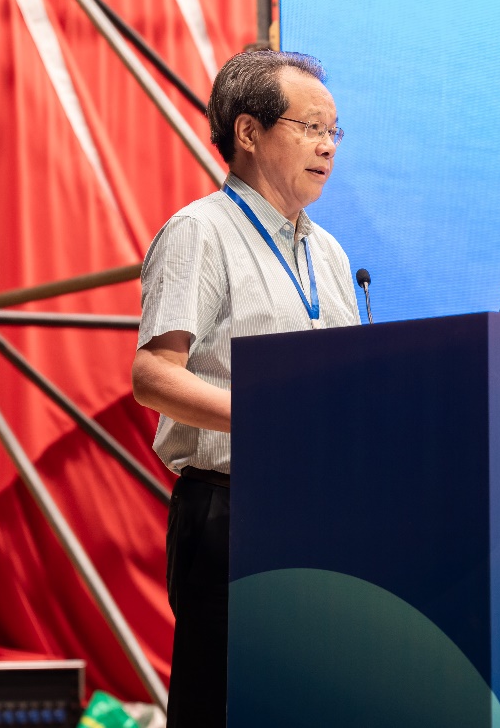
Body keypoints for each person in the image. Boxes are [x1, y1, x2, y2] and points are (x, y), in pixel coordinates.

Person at [131, 49, 361, 726]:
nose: (327, 146)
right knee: (225, 708)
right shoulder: (200, 232)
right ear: (249, 132)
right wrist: (267, 416)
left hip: (322, 511)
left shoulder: (329, 252)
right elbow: (153, 375)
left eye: (333, 131)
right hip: (231, 511)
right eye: (310, 127)